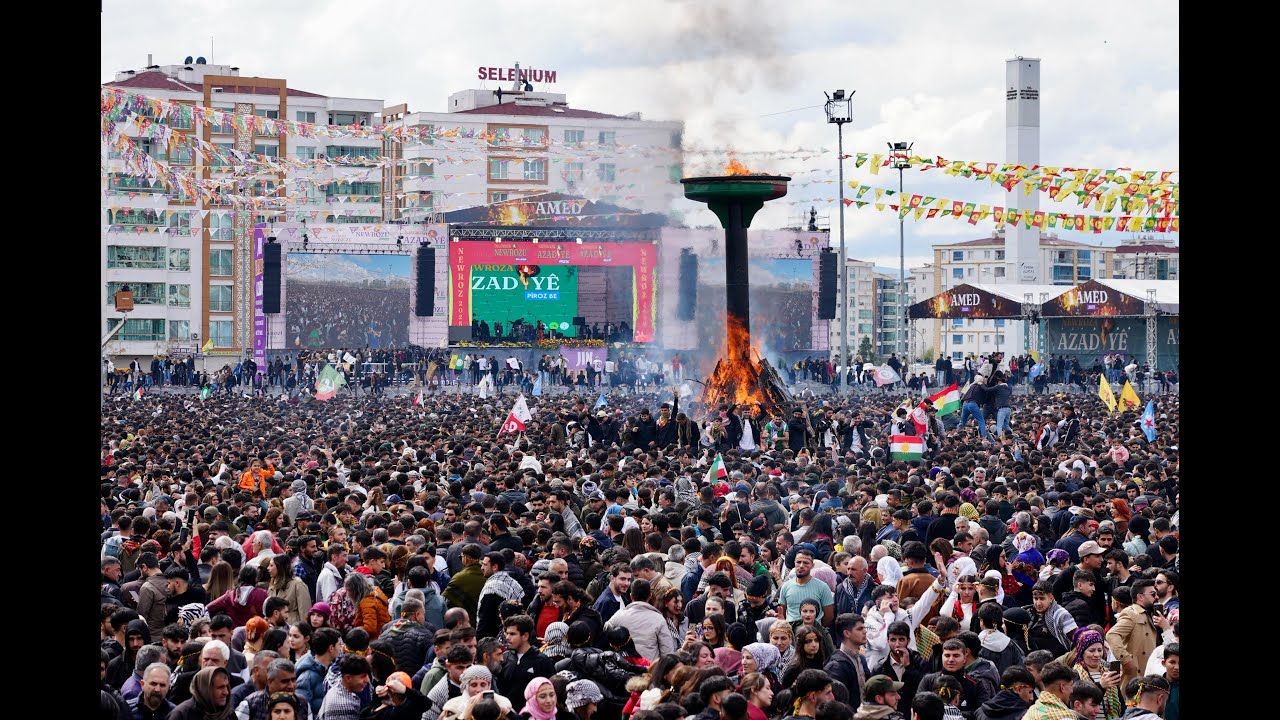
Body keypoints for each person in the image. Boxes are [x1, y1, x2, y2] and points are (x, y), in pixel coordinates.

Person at [1104, 578, 1159, 687]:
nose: (1157, 597)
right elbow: (1112, 635)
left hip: (1148, 673)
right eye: (1153, 594)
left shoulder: (1149, 613)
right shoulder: (1131, 613)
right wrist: (1127, 660)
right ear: (1140, 596)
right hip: (1134, 678)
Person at [498, 615, 556, 712]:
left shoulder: (542, 661)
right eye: (507, 633)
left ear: (525, 636)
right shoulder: (504, 658)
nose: (507, 637)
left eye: (512, 634)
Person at [823, 613, 871, 703]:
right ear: (847, 633)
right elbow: (836, 703)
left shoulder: (861, 659)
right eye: (860, 629)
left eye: (864, 628)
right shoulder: (836, 666)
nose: (865, 631)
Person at [318, 654, 372, 720]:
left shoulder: (338, 687)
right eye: (363, 676)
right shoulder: (344, 706)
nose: (367, 680)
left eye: (367, 675)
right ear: (348, 678)